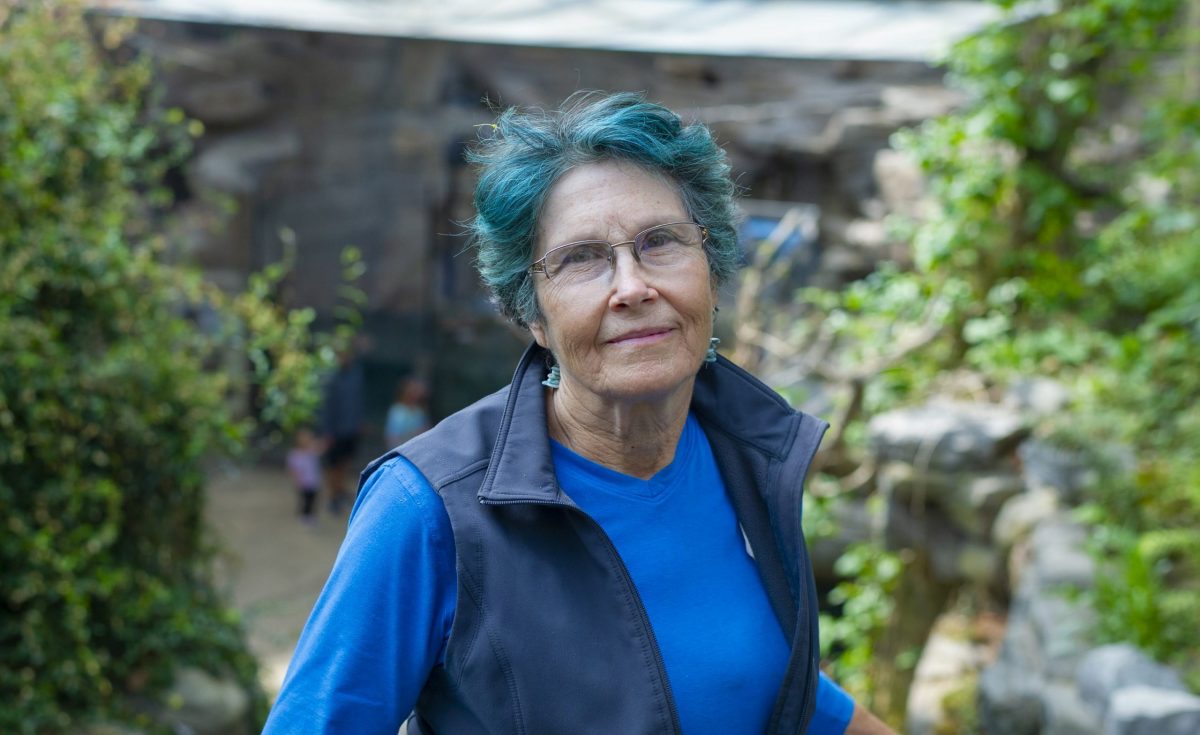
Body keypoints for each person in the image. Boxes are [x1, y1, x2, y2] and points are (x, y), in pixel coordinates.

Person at [264, 92, 896, 734]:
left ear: (712, 269)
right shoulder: (429, 508)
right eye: (581, 258)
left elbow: (763, 683)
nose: (632, 287)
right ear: (532, 315)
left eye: (661, 242)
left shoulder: (747, 452)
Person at [318, 347, 364, 514]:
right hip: (335, 431)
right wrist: (327, 431)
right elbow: (327, 407)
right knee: (333, 466)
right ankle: (333, 497)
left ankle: (339, 493)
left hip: (350, 429)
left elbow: (357, 401)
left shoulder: (355, 375)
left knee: (344, 464)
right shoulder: (330, 377)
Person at [285, 427, 322, 525]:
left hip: (313, 481)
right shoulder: (295, 454)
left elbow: (321, 447)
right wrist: (296, 480)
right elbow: (293, 469)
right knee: (305, 499)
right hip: (303, 482)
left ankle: (310, 515)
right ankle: (304, 516)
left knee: (313, 498)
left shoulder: (312, 451)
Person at [384, 377, 431, 448]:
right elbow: (392, 436)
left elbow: (426, 433)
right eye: (414, 390)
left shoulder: (420, 411)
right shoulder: (397, 410)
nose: (417, 394)